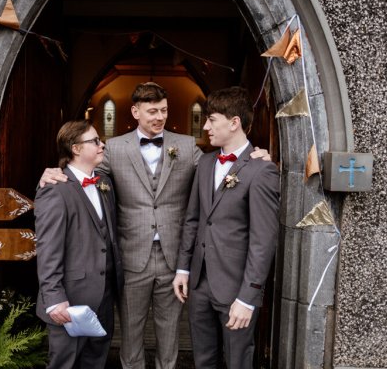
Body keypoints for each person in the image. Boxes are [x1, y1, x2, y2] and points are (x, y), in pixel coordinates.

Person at [39, 82, 270, 369]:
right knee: (131, 336)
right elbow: (81, 173)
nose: (159, 117)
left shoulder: (186, 145)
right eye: (152, 111)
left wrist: (258, 155)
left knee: (169, 335)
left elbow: (227, 167)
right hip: (131, 256)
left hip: (175, 260)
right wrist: (53, 172)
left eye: (164, 110)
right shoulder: (112, 148)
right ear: (135, 112)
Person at [172, 86, 280, 369]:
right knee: (203, 359)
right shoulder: (205, 163)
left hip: (236, 288)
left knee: (237, 361)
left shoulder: (262, 170)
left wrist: (248, 296)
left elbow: (263, 240)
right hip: (199, 284)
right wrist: (183, 269)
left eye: (212, 119)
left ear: (234, 122)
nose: (205, 126)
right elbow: (193, 219)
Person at [34, 120, 124, 369]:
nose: (101, 144)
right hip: (69, 301)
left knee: (96, 362)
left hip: (104, 296)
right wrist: (54, 298)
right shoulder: (55, 189)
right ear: (75, 148)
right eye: (94, 141)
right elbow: (48, 249)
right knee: (65, 363)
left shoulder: (104, 182)